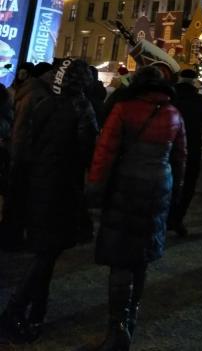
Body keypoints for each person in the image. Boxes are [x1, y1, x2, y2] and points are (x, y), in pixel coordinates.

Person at [87, 65, 187, 351]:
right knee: (141, 257)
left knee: (121, 258)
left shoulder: (124, 109)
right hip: (158, 188)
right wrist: (174, 189)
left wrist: (95, 188)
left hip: (126, 188)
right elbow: (181, 157)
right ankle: (131, 319)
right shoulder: (173, 114)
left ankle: (117, 329)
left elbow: (105, 152)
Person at [0, 58, 98, 344]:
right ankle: (14, 310)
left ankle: (35, 313)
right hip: (61, 190)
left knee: (46, 250)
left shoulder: (43, 103)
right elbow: (87, 152)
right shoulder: (81, 108)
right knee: (47, 253)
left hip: (35, 185)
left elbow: (23, 144)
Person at [0, 61, 53, 251]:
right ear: (43, 76)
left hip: (22, 152)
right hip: (28, 154)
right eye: (50, 74)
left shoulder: (28, 91)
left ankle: (11, 234)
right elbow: (26, 127)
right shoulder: (37, 95)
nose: (54, 78)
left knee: (16, 196)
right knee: (21, 198)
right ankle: (12, 238)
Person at [168, 68, 202, 235]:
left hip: (170, 145)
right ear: (194, 81)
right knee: (189, 183)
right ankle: (177, 219)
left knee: (169, 181)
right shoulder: (198, 99)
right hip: (191, 145)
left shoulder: (172, 97)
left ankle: (166, 216)